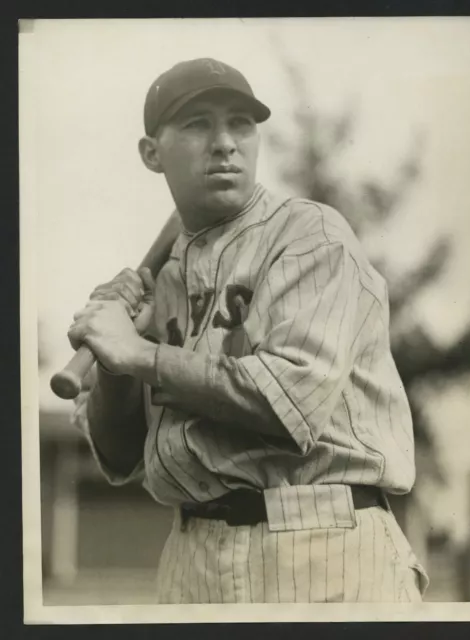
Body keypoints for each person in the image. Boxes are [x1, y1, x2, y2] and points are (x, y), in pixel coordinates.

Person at [70, 57, 429, 604]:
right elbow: (120, 460)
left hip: (320, 545)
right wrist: (116, 363)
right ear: (151, 153)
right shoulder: (163, 275)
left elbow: (291, 402)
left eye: (241, 123)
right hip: (190, 554)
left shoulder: (311, 235)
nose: (225, 143)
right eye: (197, 124)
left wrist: (141, 355)